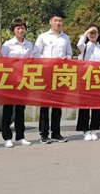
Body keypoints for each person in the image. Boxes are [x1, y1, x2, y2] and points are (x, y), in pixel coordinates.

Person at [33, 12, 72, 144]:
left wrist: (66, 58)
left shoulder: (65, 38)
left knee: (57, 105)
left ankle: (56, 133)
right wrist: (48, 61)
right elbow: (36, 53)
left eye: (60, 21)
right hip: (46, 74)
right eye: (55, 20)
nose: (58, 23)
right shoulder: (43, 37)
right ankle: (44, 134)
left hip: (60, 75)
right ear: (50, 22)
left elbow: (69, 54)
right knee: (45, 105)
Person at [0, 18, 34, 147]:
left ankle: (20, 136)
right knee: (8, 110)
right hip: (10, 80)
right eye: (18, 28)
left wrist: (32, 59)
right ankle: (7, 137)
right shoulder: (7, 45)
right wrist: (11, 61)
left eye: (22, 28)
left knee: (20, 110)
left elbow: (33, 60)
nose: (20, 31)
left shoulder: (29, 44)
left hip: (23, 80)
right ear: (13, 30)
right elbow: (2, 61)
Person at [76, 24, 100, 141]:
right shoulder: (85, 46)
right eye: (91, 33)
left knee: (97, 105)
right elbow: (79, 44)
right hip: (86, 76)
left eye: (95, 33)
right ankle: (85, 129)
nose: (93, 35)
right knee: (85, 104)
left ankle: (94, 128)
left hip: (98, 77)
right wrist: (87, 31)